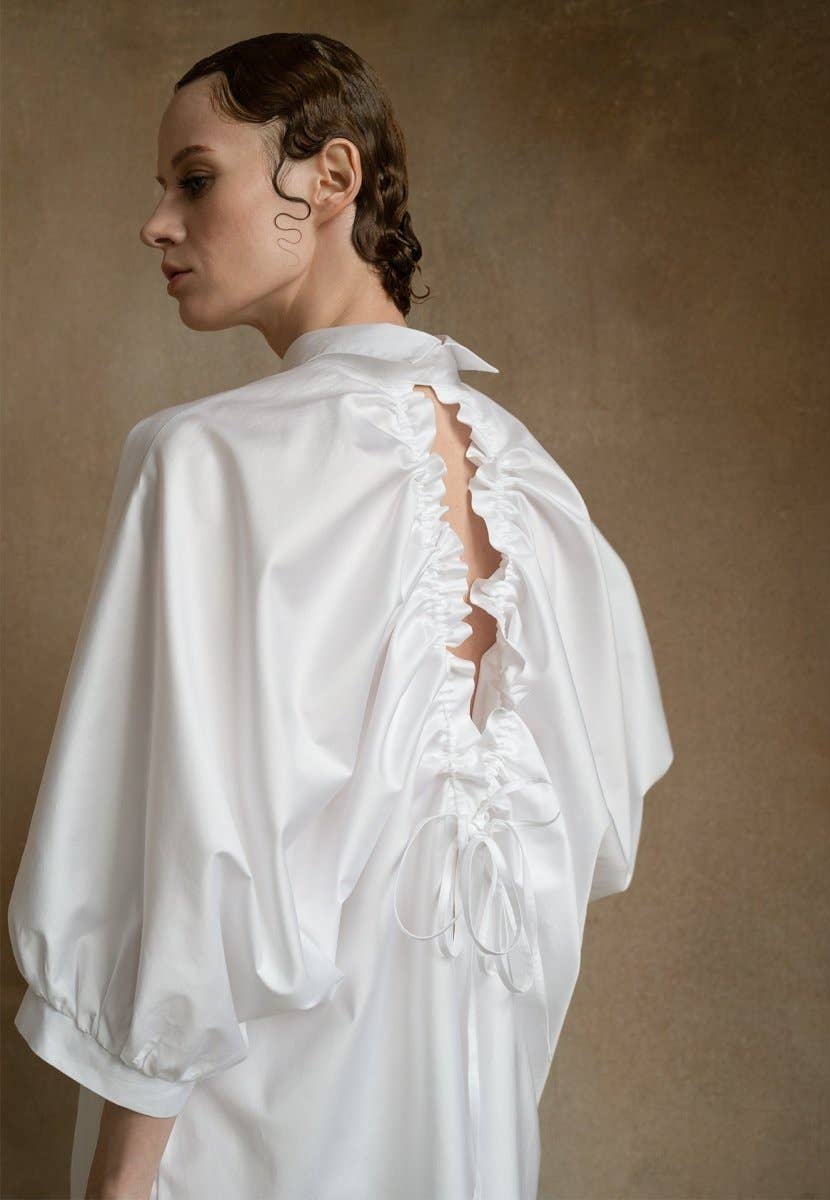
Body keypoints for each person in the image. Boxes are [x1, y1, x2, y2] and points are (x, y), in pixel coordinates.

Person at [7, 31, 674, 1200]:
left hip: (251, 1142)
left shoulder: (201, 463)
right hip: (462, 1140)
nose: (158, 223)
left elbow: (181, 868)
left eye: (195, 178)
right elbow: (593, 846)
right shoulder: (544, 495)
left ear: (330, 178)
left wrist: (116, 1187)